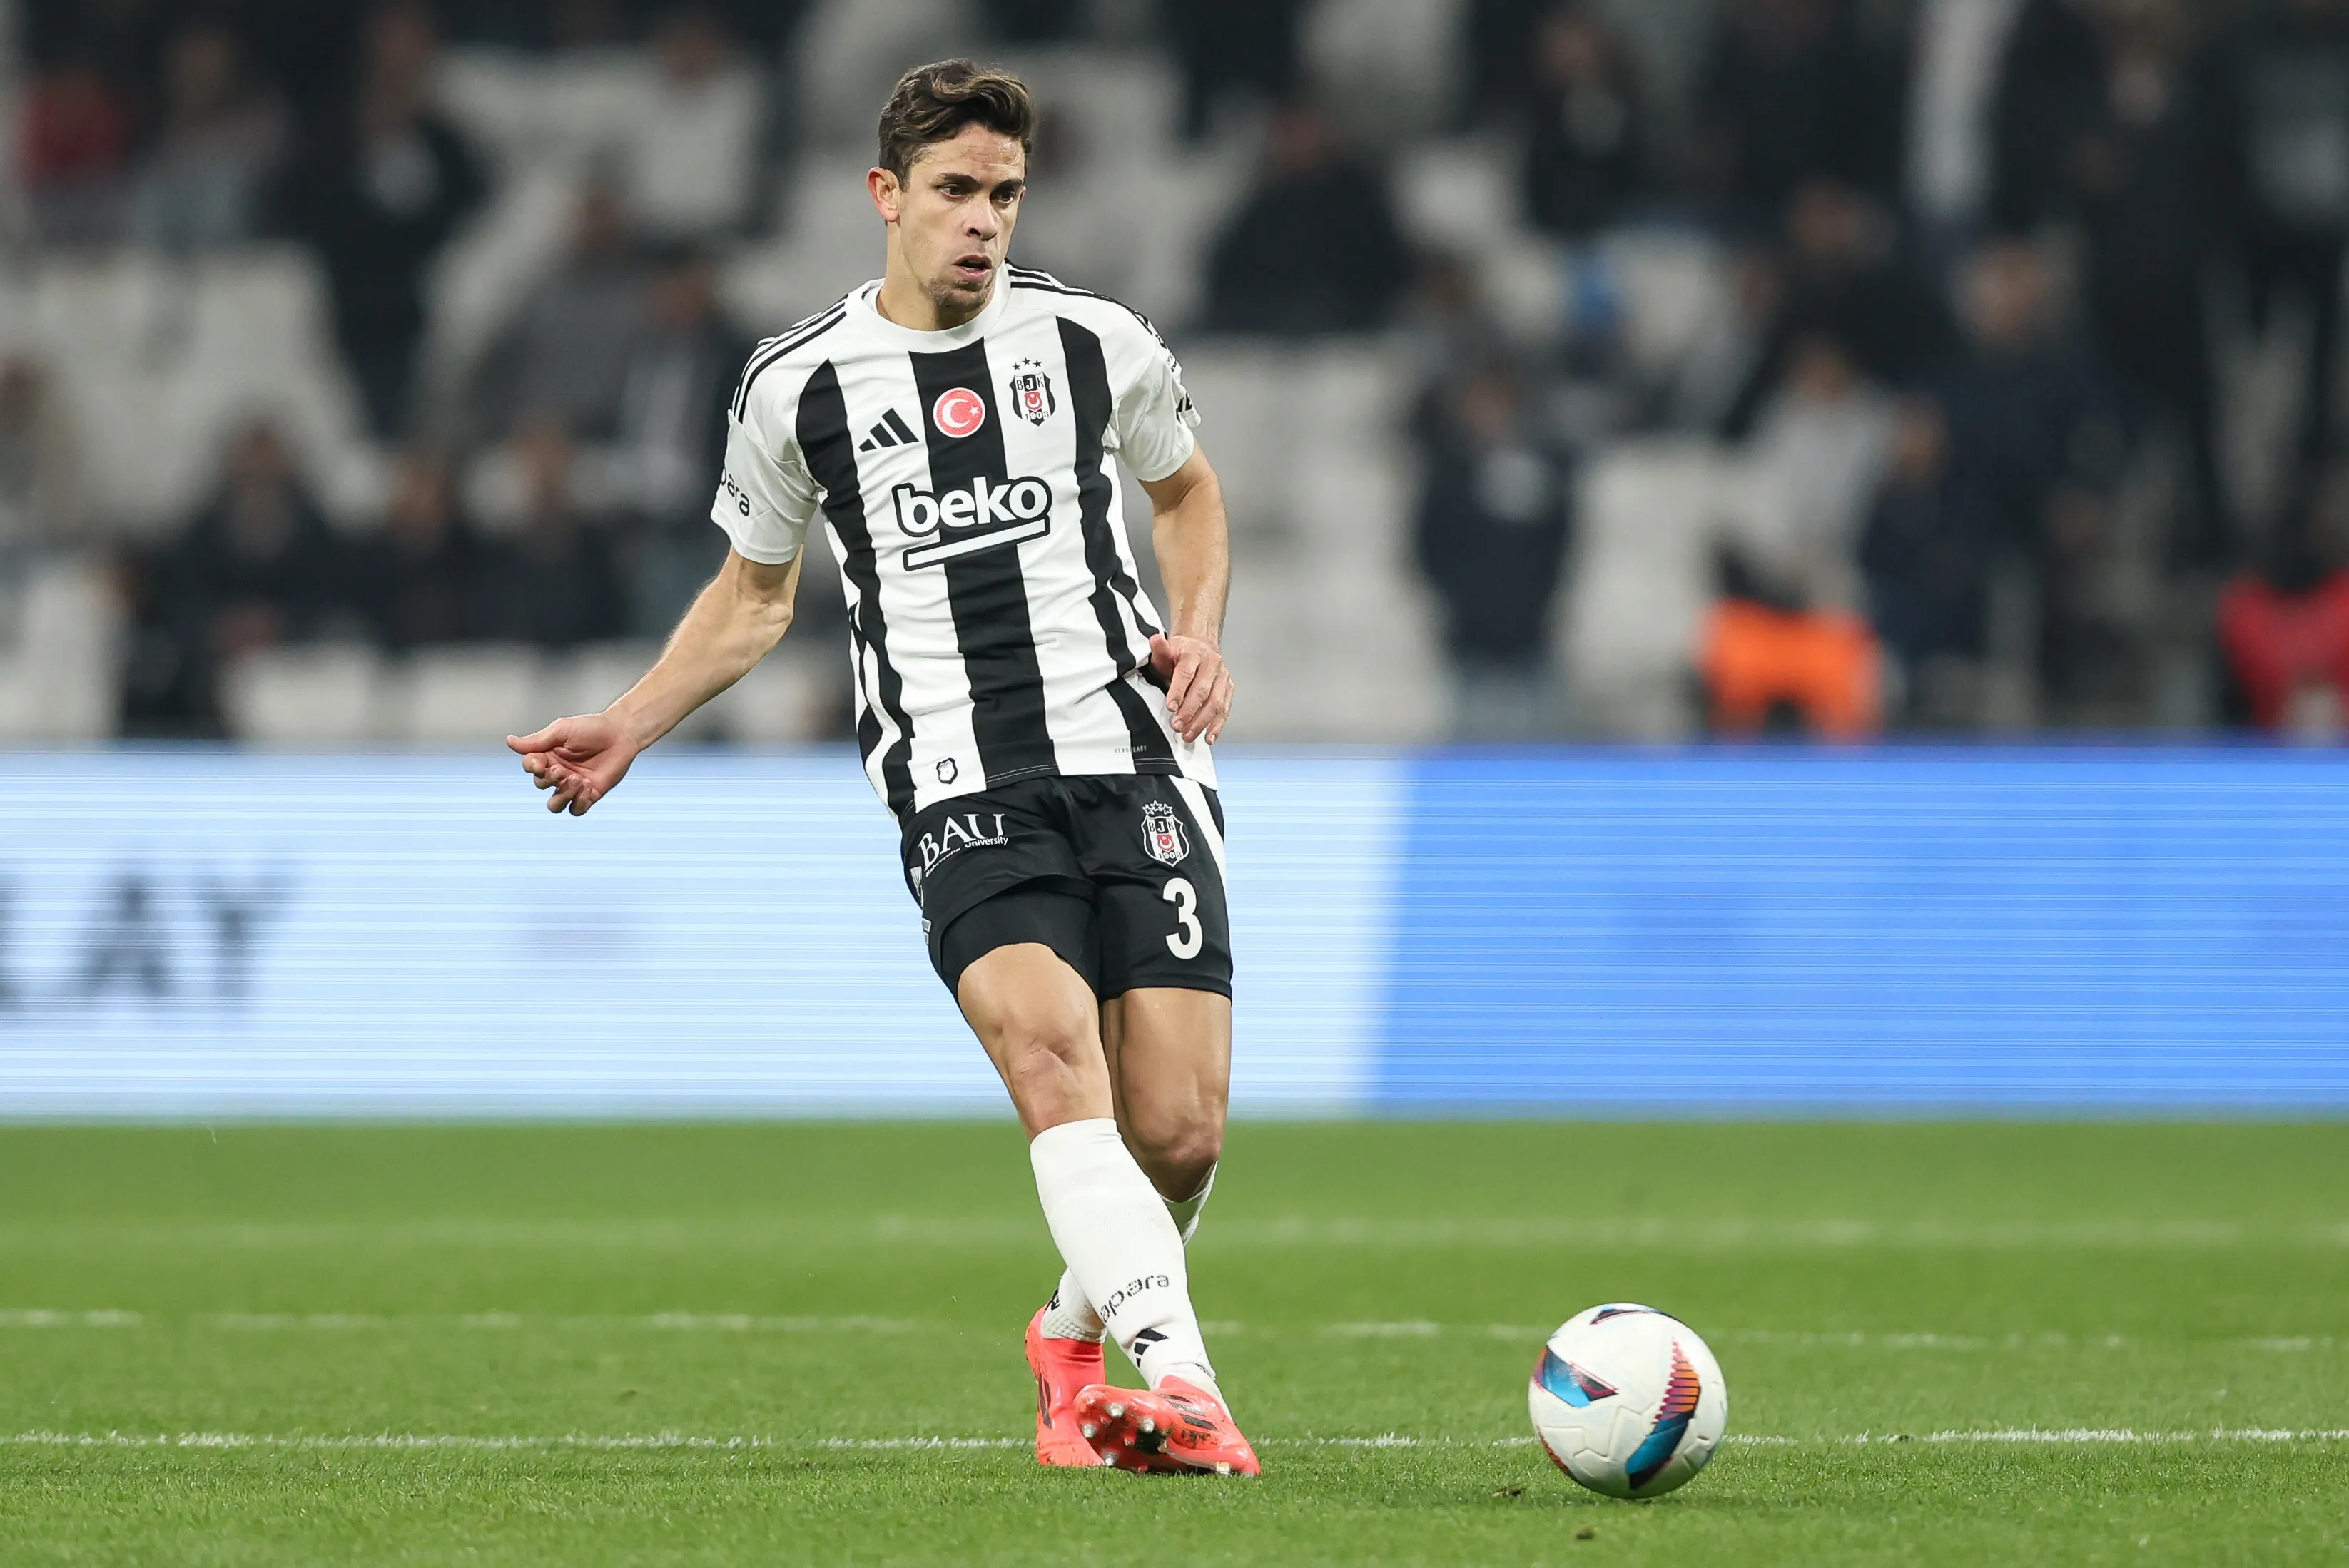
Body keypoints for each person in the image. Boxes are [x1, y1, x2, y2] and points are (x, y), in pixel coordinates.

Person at [504, 61, 1257, 1476]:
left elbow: (1186, 494)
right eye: (956, 192)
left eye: (1005, 194)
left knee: (1178, 1128)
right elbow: (749, 597)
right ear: (886, 197)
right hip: (956, 778)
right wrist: (630, 718)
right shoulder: (796, 386)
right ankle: (1183, 1386)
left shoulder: (1098, 342)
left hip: (1133, 757)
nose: (984, 221)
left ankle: (1069, 1338)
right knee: (1050, 1060)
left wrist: (1199, 629)